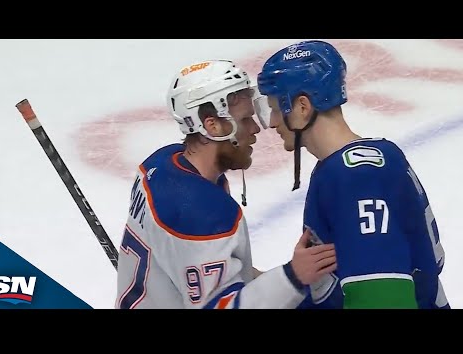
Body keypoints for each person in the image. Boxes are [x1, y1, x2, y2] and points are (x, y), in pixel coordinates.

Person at [114, 59, 337, 309]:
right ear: (213, 126)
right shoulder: (198, 209)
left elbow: (201, 267)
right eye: (244, 120)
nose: (255, 128)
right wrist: (293, 277)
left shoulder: (162, 163)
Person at [255, 40, 450, 309]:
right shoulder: (367, 159)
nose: (273, 122)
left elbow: (384, 300)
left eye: (276, 108)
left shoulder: (354, 178)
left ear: (302, 107)